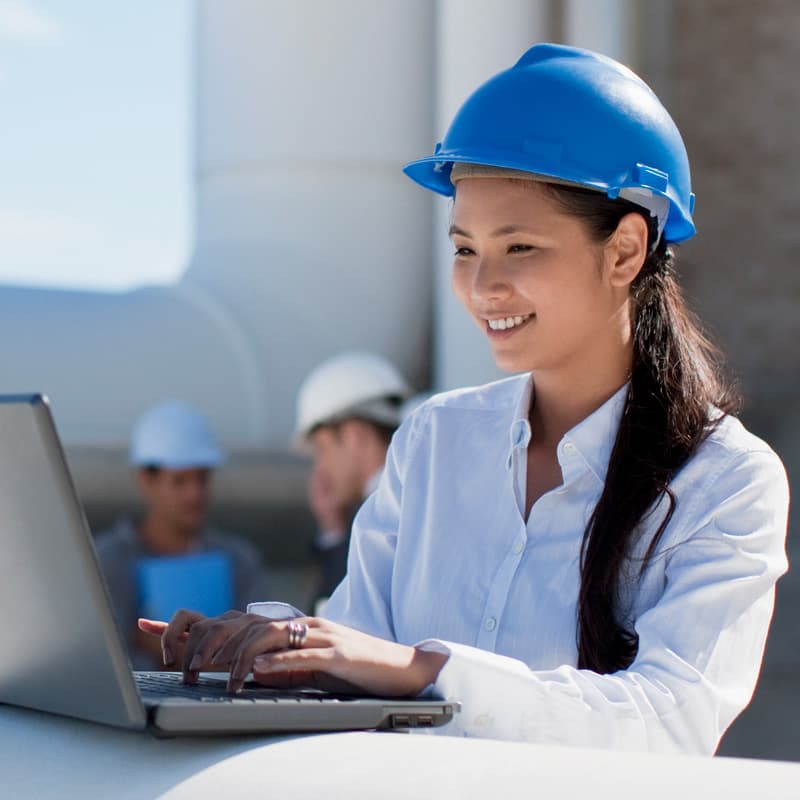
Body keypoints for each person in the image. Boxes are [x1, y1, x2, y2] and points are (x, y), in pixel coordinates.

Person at [142, 44, 789, 754]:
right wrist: (263, 648)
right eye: (464, 249)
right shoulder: (433, 440)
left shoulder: (725, 482)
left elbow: (671, 719)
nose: (482, 289)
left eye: (519, 249)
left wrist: (426, 669)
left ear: (626, 251)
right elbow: (354, 653)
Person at [95, 400, 270, 669]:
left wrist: (159, 645)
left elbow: (259, 653)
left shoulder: (239, 560)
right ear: (145, 480)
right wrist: (214, 654)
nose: (194, 494)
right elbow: (108, 664)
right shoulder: (107, 561)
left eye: (202, 479)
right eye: (180, 481)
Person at [295, 350, 411, 612]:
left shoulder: (382, 516)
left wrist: (337, 539)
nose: (321, 468)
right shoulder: (417, 500)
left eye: (322, 449)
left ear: (353, 434)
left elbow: (333, 624)